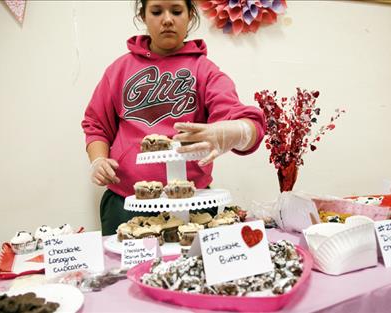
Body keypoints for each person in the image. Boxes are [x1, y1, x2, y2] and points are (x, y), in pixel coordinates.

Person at [81, 0, 266, 236]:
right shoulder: (119, 70)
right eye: (156, 11)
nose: (167, 19)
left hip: (193, 203)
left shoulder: (204, 70)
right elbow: (96, 124)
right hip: (125, 203)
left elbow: (247, 123)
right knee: (122, 273)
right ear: (143, 16)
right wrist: (98, 160)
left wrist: (237, 132)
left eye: (176, 11)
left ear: (190, 15)